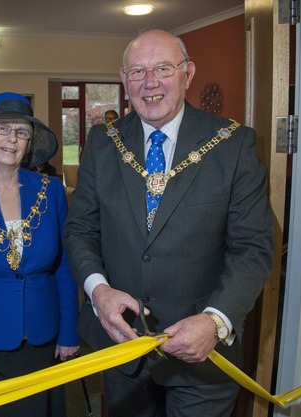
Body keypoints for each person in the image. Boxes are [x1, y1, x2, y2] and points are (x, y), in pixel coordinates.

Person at [64, 29, 274, 417]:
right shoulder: (102, 142)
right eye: (138, 72)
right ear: (125, 80)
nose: (151, 83)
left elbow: (254, 249)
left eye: (163, 68)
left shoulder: (233, 144)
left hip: (203, 357)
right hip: (122, 347)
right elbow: (80, 231)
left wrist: (216, 321)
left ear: (188, 73)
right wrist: (98, 292)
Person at [0, 92, 80, 417]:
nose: (12, 139)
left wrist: (69, 330)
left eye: (21, 132)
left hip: (44, 339)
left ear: (30, 142)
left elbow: (65, 268)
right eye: (2, 129)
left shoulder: (51, 191)